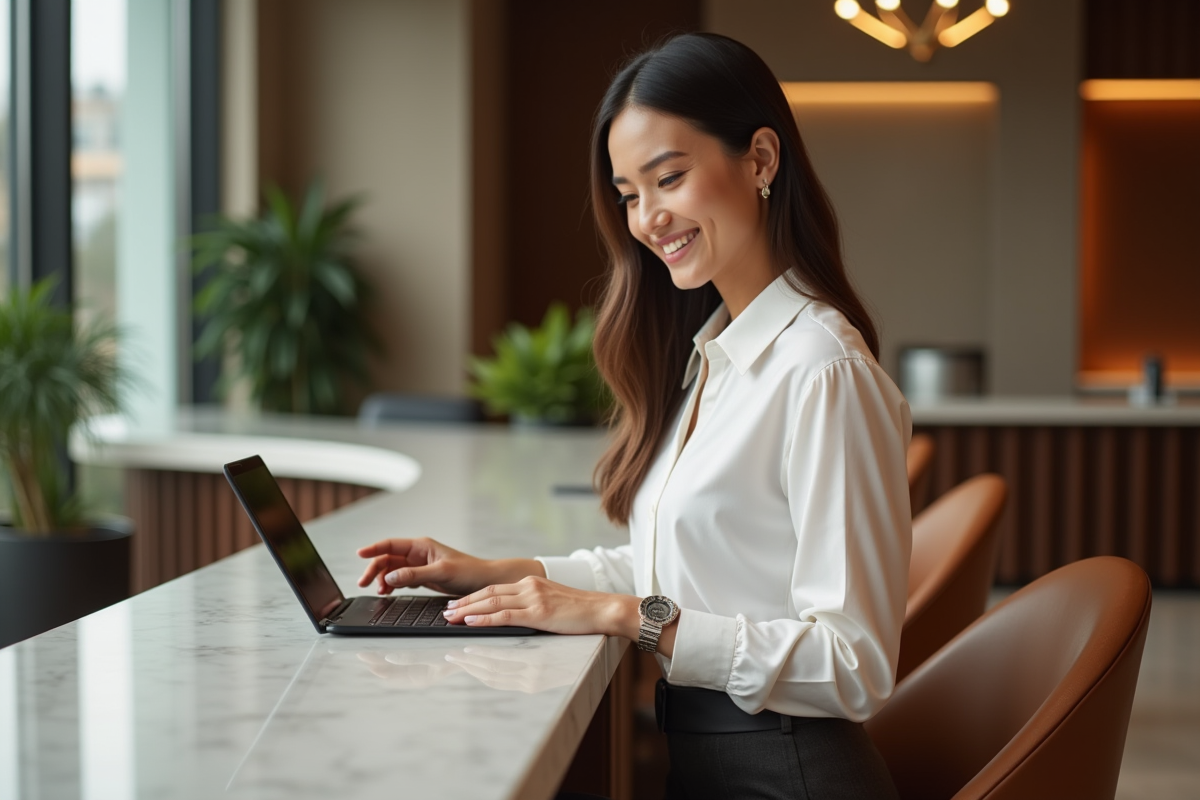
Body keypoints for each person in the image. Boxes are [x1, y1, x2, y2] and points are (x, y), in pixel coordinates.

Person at [357, 33, 910, 799]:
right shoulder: (717, 351)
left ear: (760, 160)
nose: (647, 219)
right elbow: (681, 569)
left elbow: (854, 665)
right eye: (628, 194)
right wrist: (497, 573)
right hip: (719, 760)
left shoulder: (821, 369)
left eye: (668, 178)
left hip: (788, 774)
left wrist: (630, 617)